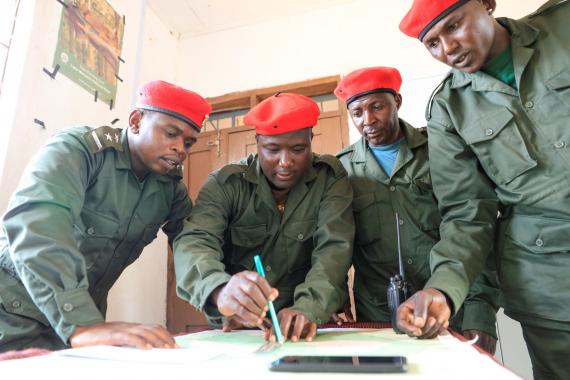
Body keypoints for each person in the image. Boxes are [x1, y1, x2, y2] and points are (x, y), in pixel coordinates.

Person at [398, 1, 570, 378]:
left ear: (487, 4)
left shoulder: (562, 26)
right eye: (432, 44)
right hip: (553, 287)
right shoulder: (449, 110)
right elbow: (466, 213)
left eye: (454, 25)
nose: (448, 48)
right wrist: (442, 289)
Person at [0, 80, 211, 351]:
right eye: (171, 134)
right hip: (12, 313)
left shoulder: (170, 190)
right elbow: (37, 224)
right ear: (135, 121)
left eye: (189, 142)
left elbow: (192, 244)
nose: (180, 148)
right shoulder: (78, 150)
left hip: (81, 323)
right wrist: (81, 323)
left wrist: (219, 291)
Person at [334, 66, 499, 354]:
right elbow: (335, 244)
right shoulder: (342, 169)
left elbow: (473, 230)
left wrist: (479, 313)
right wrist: (336, 297)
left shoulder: (442, 149)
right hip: (380, 316)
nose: (368, 120)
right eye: (357, 112)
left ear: (396, 102)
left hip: (448, 305)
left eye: (377, 107)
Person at [173, 93, 354, 343]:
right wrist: (220, 290)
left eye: (298, 149)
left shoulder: (329, 179)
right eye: (272, 149)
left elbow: (333, 250)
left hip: (308, 321)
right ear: (257, 143)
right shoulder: (225, 184)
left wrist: (309, 307)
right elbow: (194, 241)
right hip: (241, 326)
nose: (285, 162)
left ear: (311, 140)